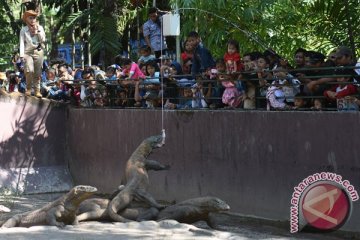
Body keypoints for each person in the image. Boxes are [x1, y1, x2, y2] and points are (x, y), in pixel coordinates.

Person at [19, 10, 46, 98]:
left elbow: (43, 40)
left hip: (38, 51)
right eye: (30, 18)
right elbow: (22, 43)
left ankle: (37, 90)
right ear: (26, 19)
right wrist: (22, 55)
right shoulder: (23, 29)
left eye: (34, 17)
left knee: (37, 73)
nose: (32, 20)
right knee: (29, 70)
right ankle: (29, 89)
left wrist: (37, 32)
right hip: (28, 52)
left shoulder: (40, 28)